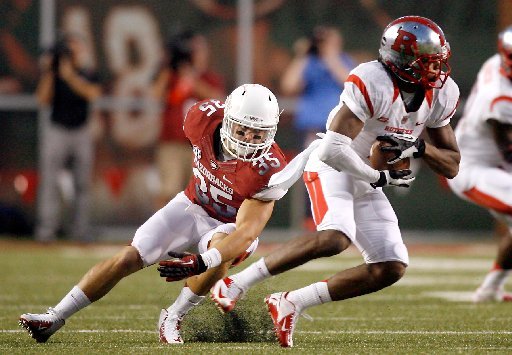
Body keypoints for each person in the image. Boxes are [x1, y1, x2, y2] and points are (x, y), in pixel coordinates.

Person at [204, 16, 460, 347]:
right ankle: (235, 283)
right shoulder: (373, 81)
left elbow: (452, 165)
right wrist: (379, 175)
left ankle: (290, 302)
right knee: (335, 239)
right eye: (426, 60)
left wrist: (419, 146)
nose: (436, 68)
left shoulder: (441, 94)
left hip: (368, 176)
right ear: (402, 61)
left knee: (391, 266)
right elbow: (331, 150)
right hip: (334, 166)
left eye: (438, 59)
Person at [19, 84, 292, 344]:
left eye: (258, 134)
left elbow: (246, 233)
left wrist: (202, 261)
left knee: (220, 255)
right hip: (192, 205)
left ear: (272, 132)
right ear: (227, 118)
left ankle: (173, 316)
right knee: (128, 257)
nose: (248, 140)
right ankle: (54, 317)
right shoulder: (202, 119)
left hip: (230, 225)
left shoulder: (270, 168)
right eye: (242, 130)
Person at [447, 25, 512, 303]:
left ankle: (489, 290)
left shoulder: (495, 63)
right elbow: (508, 150)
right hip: (473, 168)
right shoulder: (500, 96)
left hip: (492, 163)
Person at [34, 32, 101, 242]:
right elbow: (42, 99)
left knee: (82, 184)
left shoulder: (87, 71)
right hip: (57, 130)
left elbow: (93, 94)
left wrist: (70, 76)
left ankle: (80, 230)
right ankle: (47, 229)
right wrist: (51, 72)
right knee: (50, 181)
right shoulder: (53, 74)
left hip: (81, 130)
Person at [152, 30, 225, 208]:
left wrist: (193, 80)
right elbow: (155, 95)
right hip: (172, 143)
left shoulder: (209, 78)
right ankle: (160, 231)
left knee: (200, 194)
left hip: (201, 147)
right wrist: (168, 65)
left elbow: (219, 99)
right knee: (168, 190)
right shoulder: (171, 76)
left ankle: (195, 233)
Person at [281, 26, 356, 148]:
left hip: (337, 124)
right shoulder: (308, 62)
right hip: (313, 124)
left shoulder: (344, 60)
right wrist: (302, 55)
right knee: (312, 161)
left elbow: (350, 84)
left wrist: (331, 57)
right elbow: (289, 86)